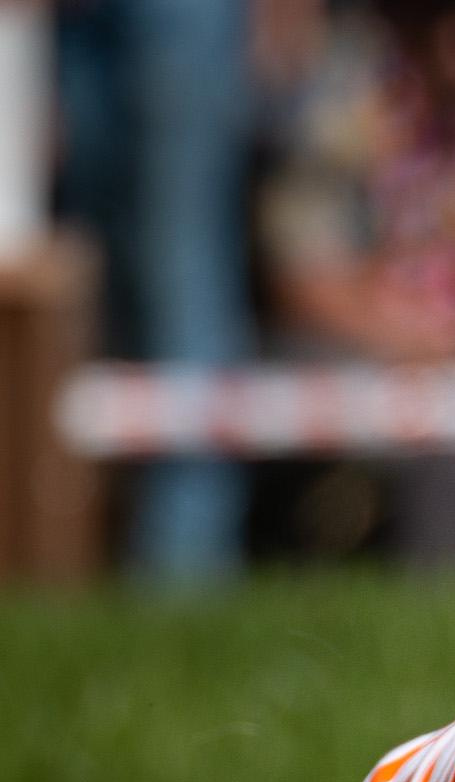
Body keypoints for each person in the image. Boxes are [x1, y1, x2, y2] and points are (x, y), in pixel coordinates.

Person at [260, 0, 455, 570]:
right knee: (444, 434)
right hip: (368, 359)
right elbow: (302, 281)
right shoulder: (342, 126)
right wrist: (408, 337)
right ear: (412, 30)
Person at [54, 0, 270, 580]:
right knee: (86, 284)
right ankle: (75, 554)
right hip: (67, 19)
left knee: (181, 267)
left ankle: (185, 566)